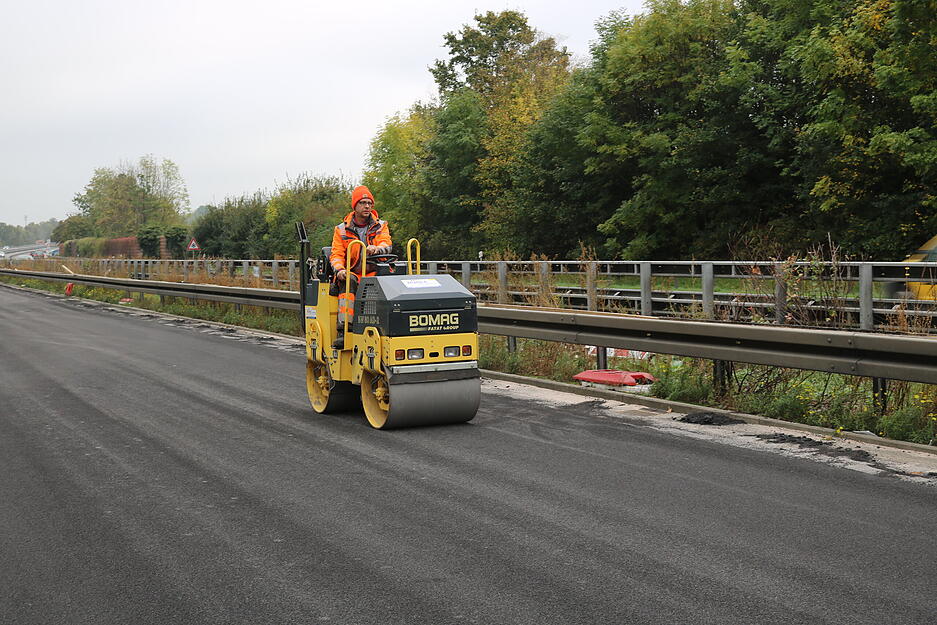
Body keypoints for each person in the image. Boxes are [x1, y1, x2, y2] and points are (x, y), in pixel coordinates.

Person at [329, 185, 392, 345]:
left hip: (374, 271)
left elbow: (386, 243)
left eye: (369, 203)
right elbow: (336, 254)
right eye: (363, 202)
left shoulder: (381, 225)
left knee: (388, 282)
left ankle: (384, 330)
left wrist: (377, 248)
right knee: (347, 280)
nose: (367, 206)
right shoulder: (341, 230)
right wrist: (340, 270)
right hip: (354, 273)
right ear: (355, 206)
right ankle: (345, 330)